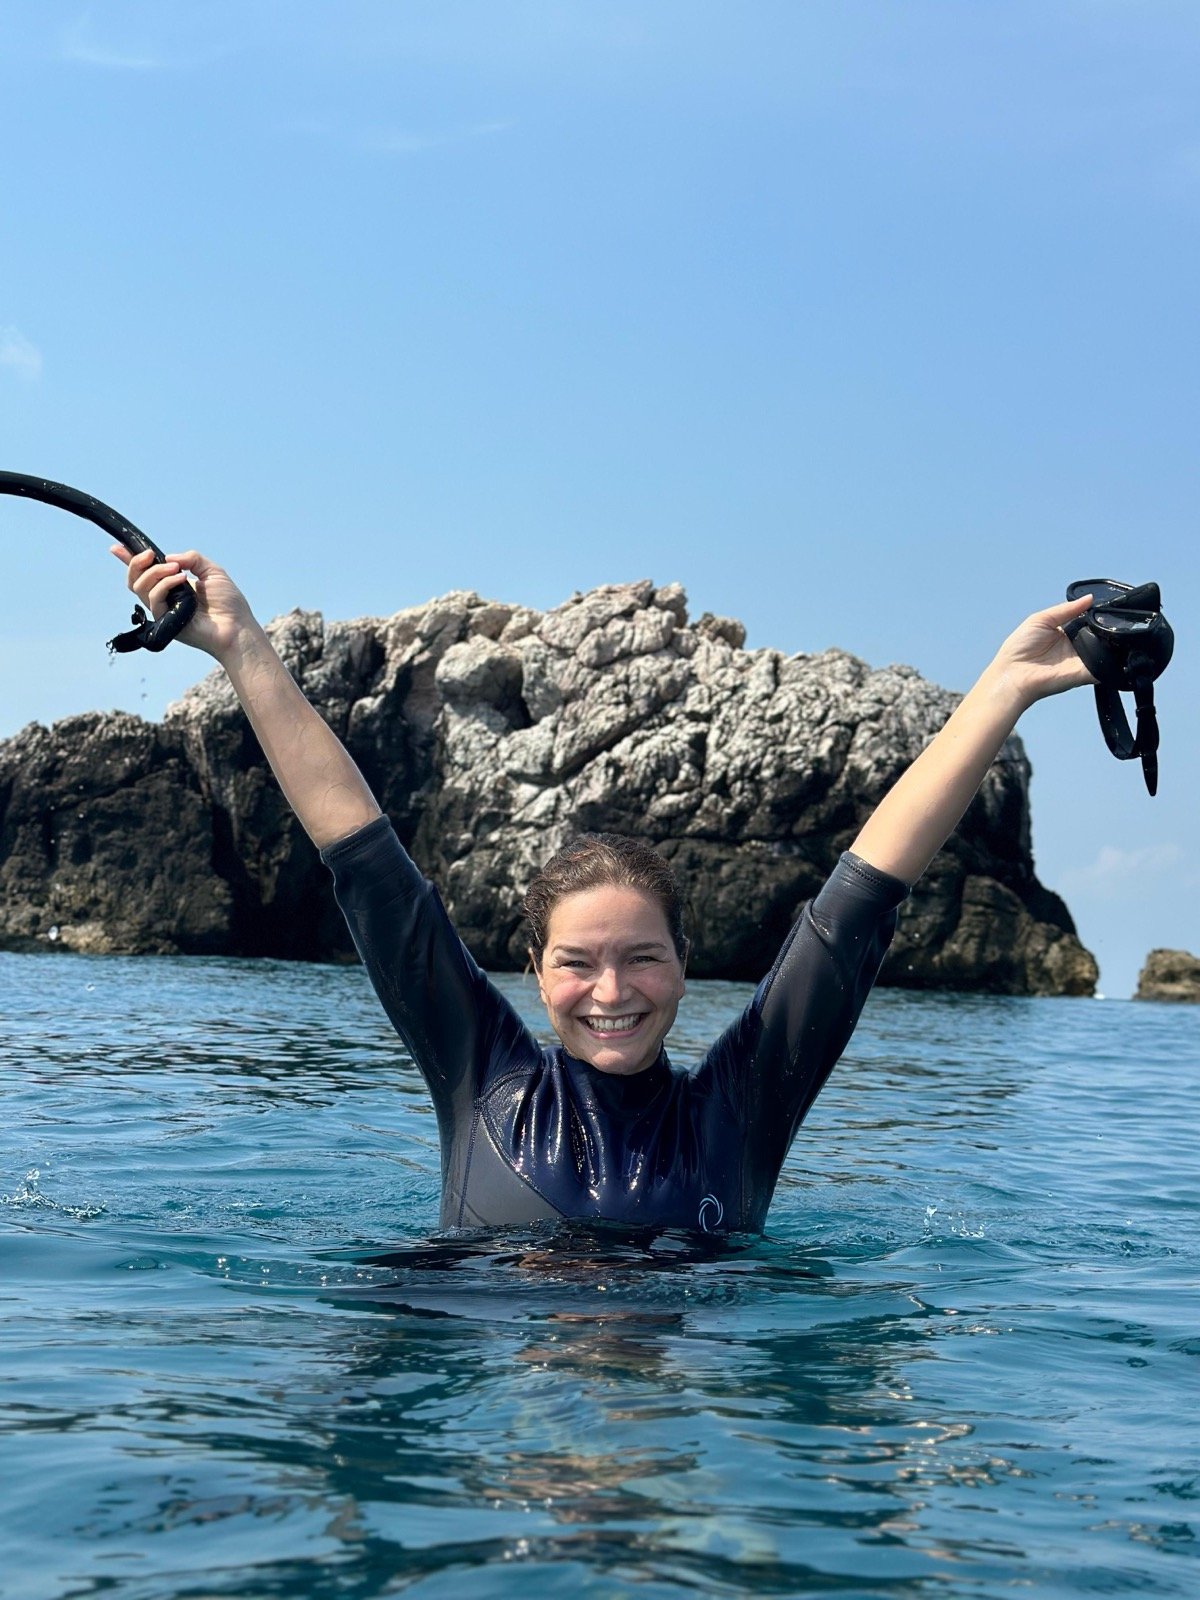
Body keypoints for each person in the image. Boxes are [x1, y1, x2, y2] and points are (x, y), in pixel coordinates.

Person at [113, 545, 1096, 1234]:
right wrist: (242, 644)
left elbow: (861, 897)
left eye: (641, 958)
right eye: (579, 963)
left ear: (684, 967)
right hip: (486, 1416)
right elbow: (363, 857)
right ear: (537, 974)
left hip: (662, 1440)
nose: (613, 990)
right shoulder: (482, 1076)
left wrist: (1003, 688)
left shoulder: (738, 1111)